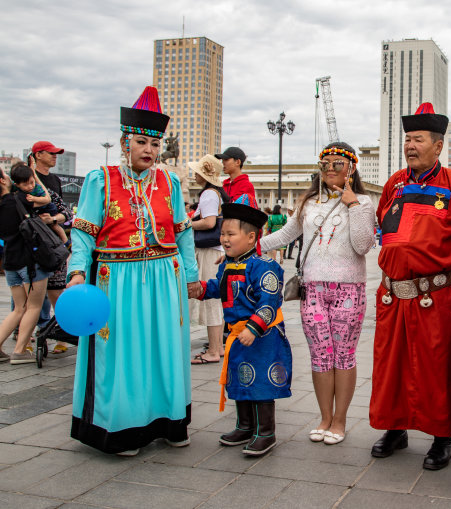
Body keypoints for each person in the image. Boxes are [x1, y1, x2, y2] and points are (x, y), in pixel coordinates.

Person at [67, 86, 200, 455]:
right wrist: (78, 272)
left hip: (165, 277)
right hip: (116, 280)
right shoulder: (101, 180)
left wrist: (190, 276)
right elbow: (83, 231)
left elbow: (182, 231)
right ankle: (123, 429)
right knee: (122, 352)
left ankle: (170, 423)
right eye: (142, 142)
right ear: (125, 142)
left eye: (155, 145)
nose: (149, 151)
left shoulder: (169, 181)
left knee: (165, 349)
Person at [369, 103, 451, 468]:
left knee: (437, 367)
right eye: (407, 139)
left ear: (438, 145)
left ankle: (441, 437)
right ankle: (394, 428)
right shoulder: (394, 184)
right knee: (391, 365)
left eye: (417, 139)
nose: (410, 145)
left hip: (437, 296)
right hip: (392, 294)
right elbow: (383, 229)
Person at [261, 141, 376, 445]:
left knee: (343, 355)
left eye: (337, 163)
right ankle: (325, 416)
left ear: (351, 168)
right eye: (324, 163)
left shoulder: (363, 203)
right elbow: (286, 235)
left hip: (349, 289)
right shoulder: (309, 203)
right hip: (313, 288)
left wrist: (351, 204)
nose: (329, 169)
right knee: (320, 356)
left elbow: (364, 245)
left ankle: (340, 420)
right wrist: (251, 247)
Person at [195, 198, 291, 456]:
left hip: (263, 337)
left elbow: (269, 302)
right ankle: (245, 426)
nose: (224, 239)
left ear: (251, 238)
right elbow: (219, 287)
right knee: (240, 379)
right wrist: (200, 289)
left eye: (230, 234)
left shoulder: (265, 267)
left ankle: (266, 433)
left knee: (260, 384)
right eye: (222, 234)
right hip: (238, 335)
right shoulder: (226, 264)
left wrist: (253, 328)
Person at [0, 168, 51, 364]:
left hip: (10, 262)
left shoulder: (3, 203)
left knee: (18, 308)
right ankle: (20, 351)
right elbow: (45, 197)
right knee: (34, 306)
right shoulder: (20, 199)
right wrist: (34, 175)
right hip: (30, 261)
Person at [28, 140, 72, 354]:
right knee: (30, 295)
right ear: (37, 155)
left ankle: (62, 333)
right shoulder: (27, 179)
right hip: (31, 244)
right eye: (51, 153)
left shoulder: (54, 180)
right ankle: (26, 335)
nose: (55, 157)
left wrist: (54, 219)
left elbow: (66, 213)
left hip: (53, 243)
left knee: (57, 291)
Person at [189, 154, 229, 364]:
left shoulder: (208, 194)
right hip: (216, 249)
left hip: (209, 250)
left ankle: (214, 349)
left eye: (197, 171)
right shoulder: (217, 193)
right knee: (216, 300)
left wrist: (186, 224)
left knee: (211, 299)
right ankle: (217, 347)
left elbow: (209, 222)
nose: (194, 174)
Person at [10, 165, 68, 245]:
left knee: (54, 226)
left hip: (48, 208)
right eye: (25, 185)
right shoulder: (19, 193)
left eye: (32, 182)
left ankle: (66, 242)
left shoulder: (37, 188)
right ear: (17, 185)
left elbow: (47, 200)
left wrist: (34, 199)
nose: (30, 186)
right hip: (40, 212)